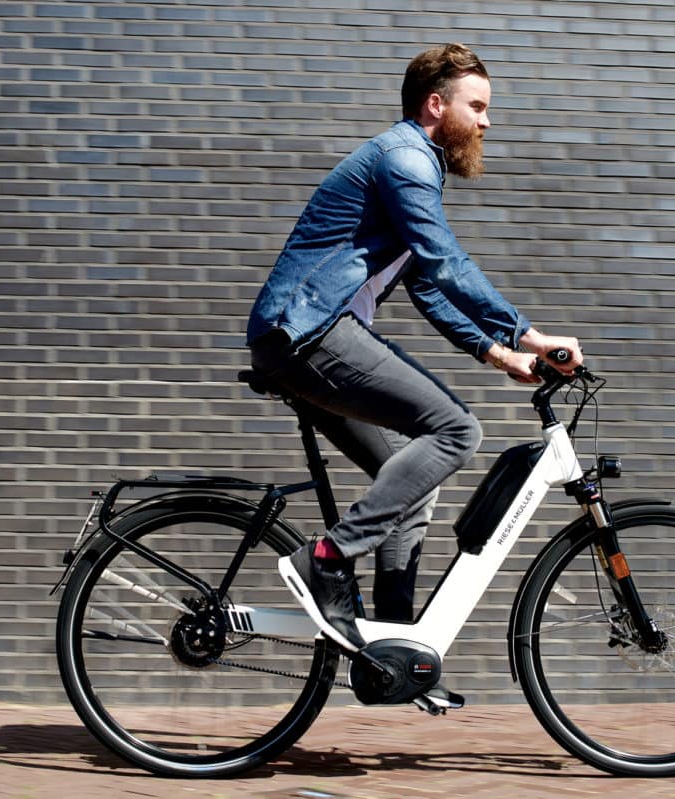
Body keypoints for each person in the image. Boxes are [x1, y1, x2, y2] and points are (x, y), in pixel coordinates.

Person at [246, 44, 583, 701]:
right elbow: (447, 260)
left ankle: (393, 650)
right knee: (455, 431)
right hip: (308, 333)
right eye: (477, 106)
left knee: (413, 475)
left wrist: (500, 355)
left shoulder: (409, 166)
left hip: (307, 336)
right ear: (438, 105)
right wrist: (531, 334)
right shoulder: (405, 159)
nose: (487, 122)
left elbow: (428, 286)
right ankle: (328, 560)